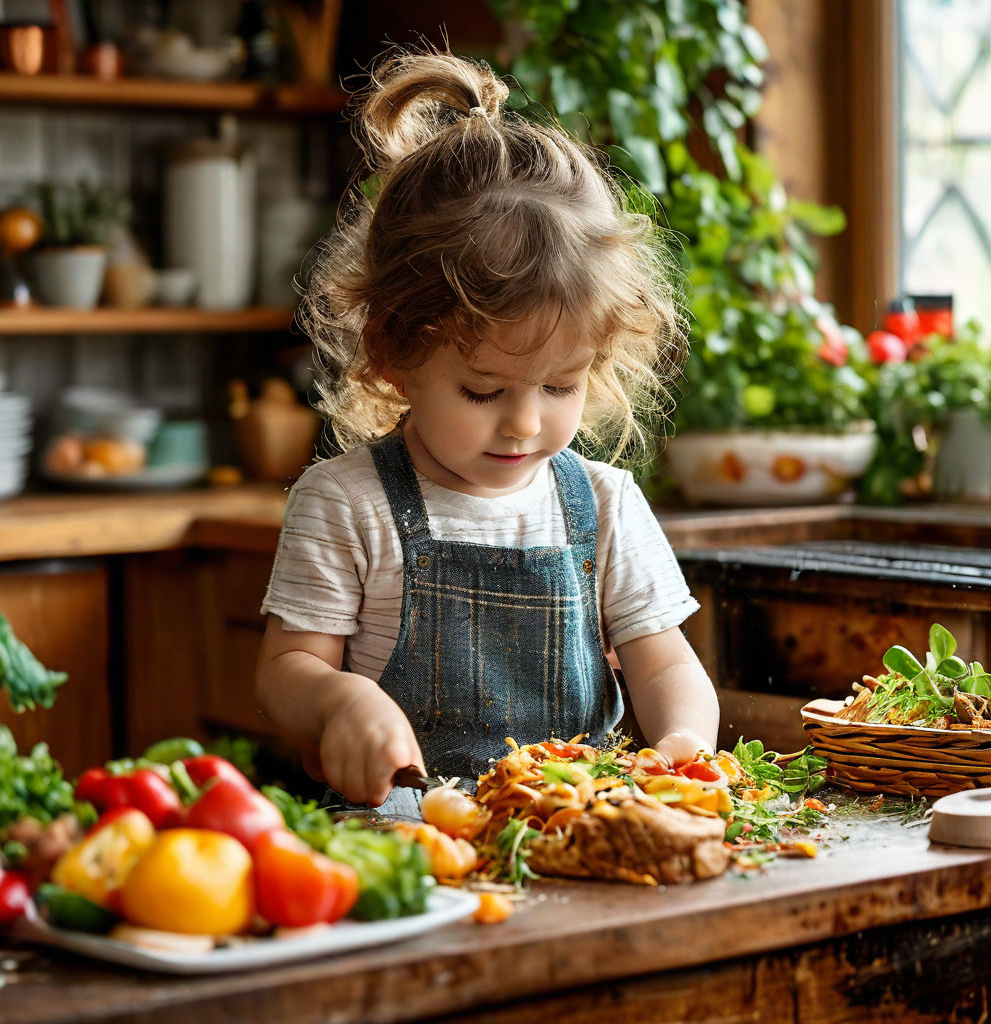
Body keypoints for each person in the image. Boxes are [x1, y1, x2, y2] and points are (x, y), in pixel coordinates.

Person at [255, 46, 719, 813]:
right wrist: (339, 702)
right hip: (406, 839)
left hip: (573, 822)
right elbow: (283, 674)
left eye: (561, 385)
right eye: (482, 390)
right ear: (395, 354)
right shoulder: (344, 503)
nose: (526, 423)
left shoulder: (604, 505)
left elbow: (665, 666)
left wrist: (683, 750)